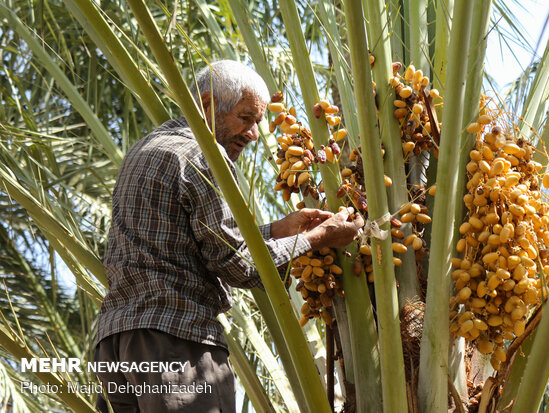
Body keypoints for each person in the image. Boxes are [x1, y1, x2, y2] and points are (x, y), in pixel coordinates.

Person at [94, 60, 363, 413]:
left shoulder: (146, 149)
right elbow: (239, 266)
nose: (253, 133)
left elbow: (189, 241)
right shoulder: (205, 155)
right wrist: (317, 239)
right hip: (176, 342)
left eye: (258, 122)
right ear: (207, 105)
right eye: (245, 117)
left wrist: (277, 230)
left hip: (117, 344)